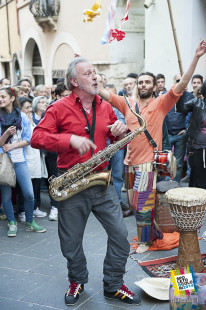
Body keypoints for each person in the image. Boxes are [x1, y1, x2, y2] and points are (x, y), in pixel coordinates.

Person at [31, 57, 141, 306]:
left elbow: (110, 141)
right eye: (89, 73)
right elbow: (37, 137)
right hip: (71, 184)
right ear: (74, 81)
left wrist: (118, 132)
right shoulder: (59, 107)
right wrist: (68, 140)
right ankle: (77, 280)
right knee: (70, 242)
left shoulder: (105, 107)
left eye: (96, 72)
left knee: (121, 235)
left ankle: (113, 285)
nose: (95, 77)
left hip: (101, 182)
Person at [99, 40, 206, 253]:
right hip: (129, 163)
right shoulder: (127, 103)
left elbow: (183, 83)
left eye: (147, 82)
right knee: (132, 204)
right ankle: (154, 233)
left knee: (142, 207)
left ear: (154, 85)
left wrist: (196, 57)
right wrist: (91, 79)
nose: (143, 85)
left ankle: (146, 241)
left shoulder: (161, 103)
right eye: (141, 82)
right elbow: (104, 94)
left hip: (148, 164)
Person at [0, 87, 46, 237]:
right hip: (4, 161)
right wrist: (6, 134)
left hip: (20, 160)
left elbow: (28, 140)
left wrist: (13, 145)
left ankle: (29, 221)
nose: (0, 99)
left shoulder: (22, 117)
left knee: (28, 194)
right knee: (6, 196)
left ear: (12, 98)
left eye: (3, 96)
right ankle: (12, 222)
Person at [18, 96, 47, 221]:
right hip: (24, 158)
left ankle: (34, 208)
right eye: (27, 108)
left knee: (35, 185)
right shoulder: (19, 121)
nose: (30, 110)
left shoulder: (32, 121)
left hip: (36, 157)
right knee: (24, 188)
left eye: (30, 107)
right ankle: (22, 211)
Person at [165, 74, 194, 182]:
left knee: (178, 164)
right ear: (174, 82)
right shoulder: (166, 95)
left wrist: (187, 129)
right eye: (178, 80)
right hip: (167, 134)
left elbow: (194, 116)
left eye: (183, 80)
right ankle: (164, 187)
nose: (181, 82)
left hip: (181, 135)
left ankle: (175, 186)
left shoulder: (189, 96)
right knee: (165, 162)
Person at [177, 80, 206, 189]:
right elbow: (180, 108)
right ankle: (198, 204)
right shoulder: (197, 102)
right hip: (197, 147)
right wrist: (180, 93)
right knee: (197, 177)